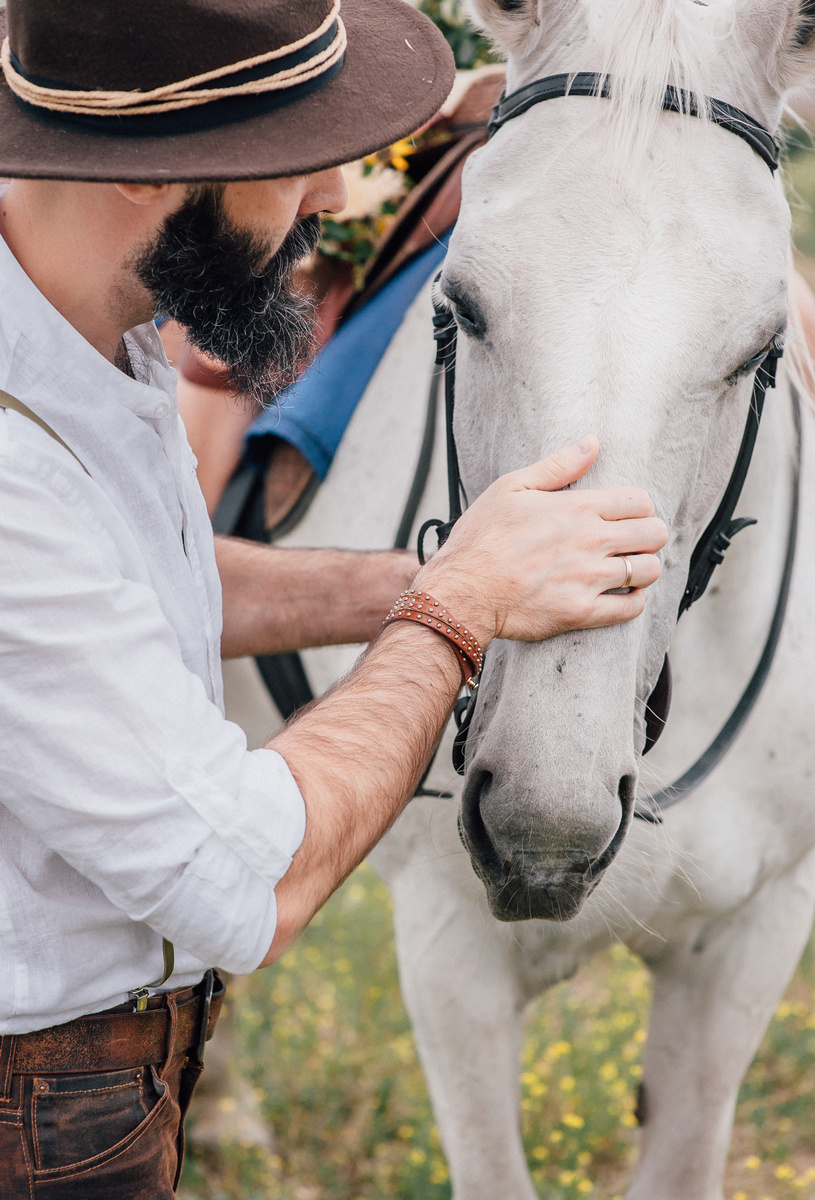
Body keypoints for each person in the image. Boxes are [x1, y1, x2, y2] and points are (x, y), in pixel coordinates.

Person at [0, 1, 668, 1195]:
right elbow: (245, 881)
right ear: (148, 172)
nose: (339, 194)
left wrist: (408, 583)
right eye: (293, 156)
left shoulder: (92, 327)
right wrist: (455, 608)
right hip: (39, 1113)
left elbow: (140, 587)